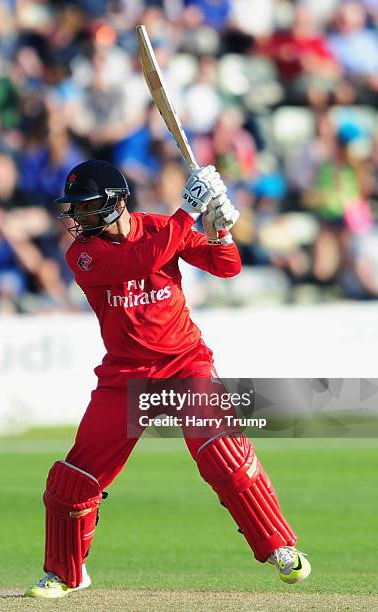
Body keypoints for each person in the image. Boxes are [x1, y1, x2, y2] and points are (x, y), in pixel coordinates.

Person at [25, 160, 311, 599]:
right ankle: (66, 573)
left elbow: (226, 267)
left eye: (86, 209)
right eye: (75, 211)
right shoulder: (83, 255)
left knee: (223, 455)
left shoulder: (160, 228)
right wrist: (188, 213)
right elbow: (135, 264)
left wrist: (219, 229)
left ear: (116, 203)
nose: (77, 219)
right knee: (73, 481)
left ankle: (279, 548)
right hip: (124, 375)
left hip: (184, 364)